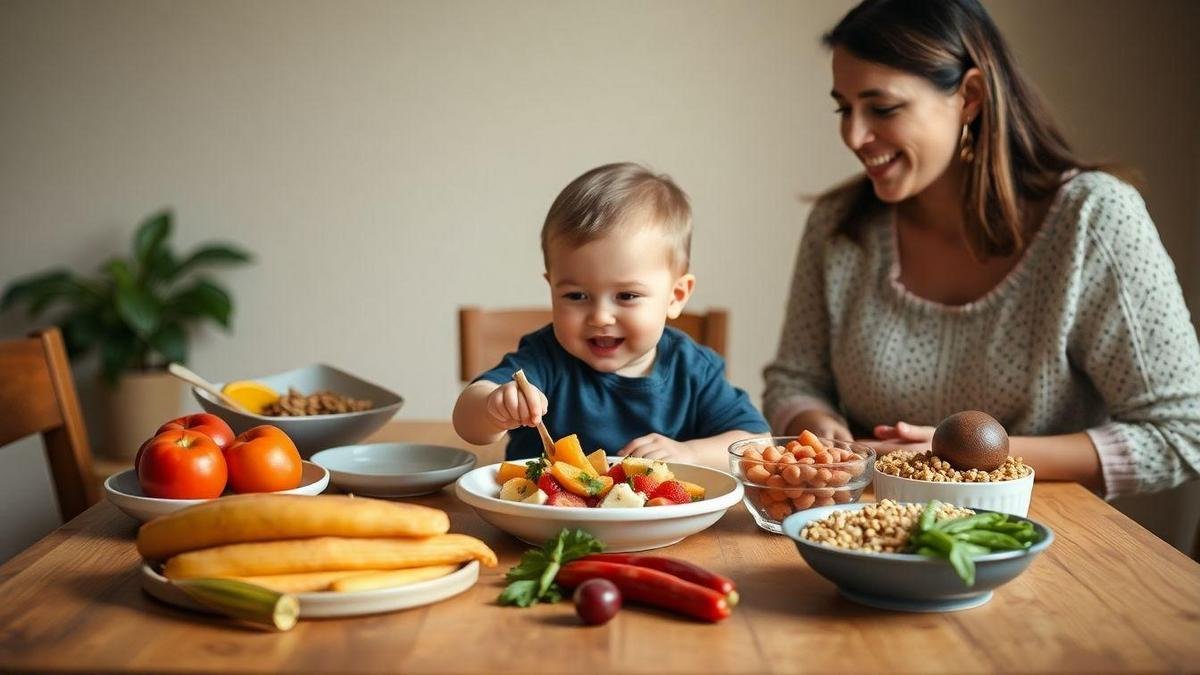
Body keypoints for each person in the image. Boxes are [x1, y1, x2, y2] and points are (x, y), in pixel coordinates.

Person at [762, 0, 1200, 499]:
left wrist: (976, 457)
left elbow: (1181, 433)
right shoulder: (838, 227)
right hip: (859, 526)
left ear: (969, 96)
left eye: (882, 108)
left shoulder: (1092, 218)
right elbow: (794, 378)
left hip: (1040, 541)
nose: (853, 135)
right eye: (844, 108)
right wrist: (813, 421)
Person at [454, 162, 769, 466]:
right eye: (576, 296)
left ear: (676, 296)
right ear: (552, 289)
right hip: (545, 516)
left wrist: (691, 454)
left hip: (656, 518)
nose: (601, 317)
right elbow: (467, 420)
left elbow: (757, 443)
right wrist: (495, 407)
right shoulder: (545, 358)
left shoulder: (693, 371)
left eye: (627, 296)